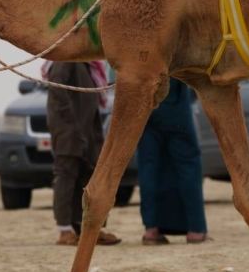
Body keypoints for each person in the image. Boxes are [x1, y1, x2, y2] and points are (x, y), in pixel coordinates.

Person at [43, 61, 121, 246]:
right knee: (66, 173)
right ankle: (65, 230)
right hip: (69, 129)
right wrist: (71, 123)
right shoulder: (66, 57)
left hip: (88, 128)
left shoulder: (87, 63)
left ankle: (91, 230)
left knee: (89, 175)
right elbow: (57, 88)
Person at [138, 77, 208, 245]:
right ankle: (195, 229)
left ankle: (151, 229)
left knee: (148, 166)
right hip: (175, 105)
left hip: (145, 106)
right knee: (188, 164)